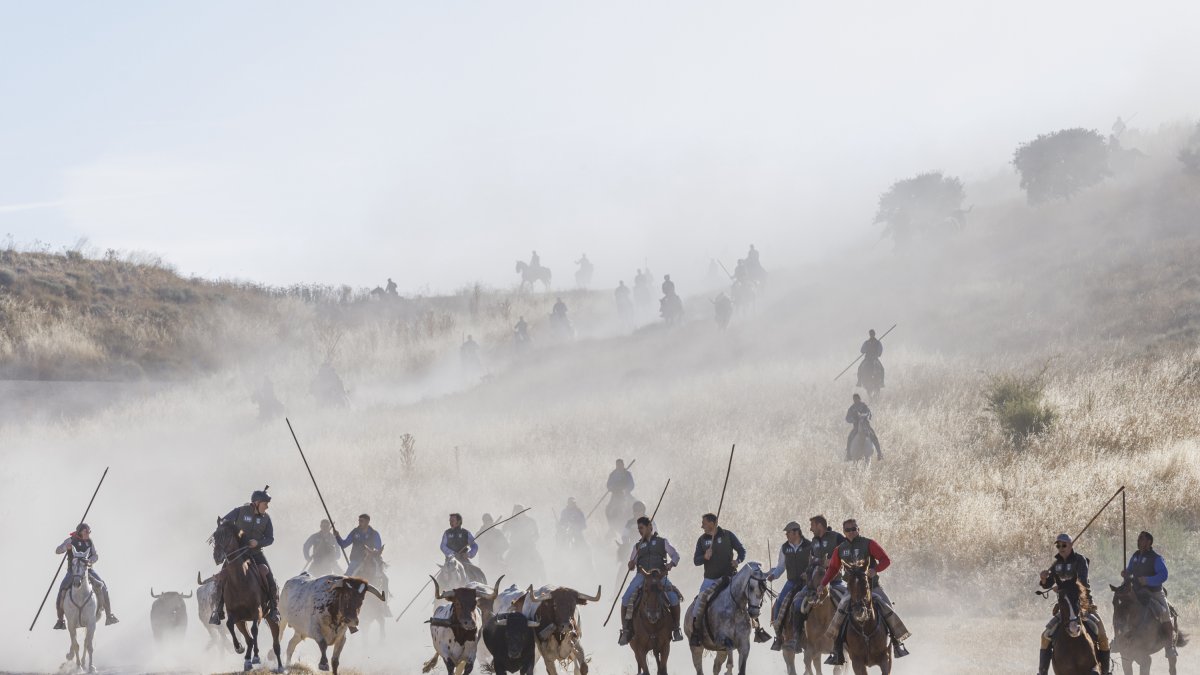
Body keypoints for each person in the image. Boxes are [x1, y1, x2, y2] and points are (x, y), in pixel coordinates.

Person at [821, 519, 910, 665]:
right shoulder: (840, 549)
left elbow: (885, 560)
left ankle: (896, 644)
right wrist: (822, 584)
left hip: (872, 587)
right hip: (852, 589)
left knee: (888, 607)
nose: (851, 532)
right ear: (843, 532)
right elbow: (832, 568)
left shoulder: (869, 543)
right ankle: (837, 651)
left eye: (853, 529)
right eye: (847, 530)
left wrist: (875, 570)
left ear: (858, 529)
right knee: (839, 615)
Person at [1038, 534, 1111, 675]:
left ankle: (1106, 672)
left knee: (1102, 637)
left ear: (1071, 545)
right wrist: (1043, 579)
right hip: (1066, 607)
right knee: (1045, 636)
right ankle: (1042, 672)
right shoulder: (1056, 564)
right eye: (1058, 546)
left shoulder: (1080, 560)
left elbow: (1081, 582)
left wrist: (1062, 587)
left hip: (1084, 605)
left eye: (1064, 545)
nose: (1061, 548)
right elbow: (1048, 583)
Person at [211, 487, 279, 624]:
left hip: (256, 553)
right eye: (265, 504)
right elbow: (224, 522)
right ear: (257, 502)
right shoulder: (240, 511)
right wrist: (230, 531)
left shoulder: (266, 518)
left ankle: (273, 609)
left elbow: (270, 539)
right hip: (237, 555)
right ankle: (217, 612)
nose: (267, 507)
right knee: (221, 579)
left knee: (270, 578)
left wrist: (258, 543)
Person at [691, 513, 758, 646]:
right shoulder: (702, 540)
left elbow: (741, 550)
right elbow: (696, 561)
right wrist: (705, 556)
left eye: (704, 523)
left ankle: (757, 626)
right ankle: (696, 633)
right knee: (699, 602)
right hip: (710, 579)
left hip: (730, 577)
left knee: (749, 594)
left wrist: (737, 561)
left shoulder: (728, 535)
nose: (702, 526)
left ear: (712, 523)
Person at [619, 517, 684, 645]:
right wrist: (630, 564)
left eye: (641, 528)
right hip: (642, 576)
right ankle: (626, 631)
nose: (639, 531)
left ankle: (676, 629)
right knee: (626, 598)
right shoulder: (637, 546)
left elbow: (676, 555)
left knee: (673, 598)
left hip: (660, 575)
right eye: (638, 529)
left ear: (650, 527)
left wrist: (671, 565)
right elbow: (631, 564)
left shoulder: (662, 542)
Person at [785, 515, 846, 651]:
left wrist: (837, 562)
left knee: (848, 603)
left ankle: (845, 641)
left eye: (812, 525)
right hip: (812, 584)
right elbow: (811, 562)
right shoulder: (814, 541)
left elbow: (848, 553)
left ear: (819, 525)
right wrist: (806, 572)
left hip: (835, 582)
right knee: (796, 602)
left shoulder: (837, 538)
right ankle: (796, 638)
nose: (810, 529)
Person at [1118, 531, 1176, 655]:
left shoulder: (1156, 558)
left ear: (1149, 542)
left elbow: (1163, 575)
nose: (1138, 541)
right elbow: (1130, 569)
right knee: (1121, 606)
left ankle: (1170, 646)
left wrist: (1148, 580)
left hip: (1154, 592)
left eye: (1141, 539)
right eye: (1138, 539)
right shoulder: (1135, 555)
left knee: (1165, 613)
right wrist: (1126, 573)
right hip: (1136, 590)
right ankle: (1118, 640)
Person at [54, 523, 119, 629]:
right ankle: (60, 621)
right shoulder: (70, 540)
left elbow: (95, 555)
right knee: (62, 590)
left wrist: (90, 561)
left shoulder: (89, 542)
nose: (88, 533)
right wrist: (66, 547)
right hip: (72, 571)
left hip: (87, 570)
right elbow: (57, 550)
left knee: (103, 586)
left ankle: (109, 616)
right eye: (86, 531)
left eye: (89, 531)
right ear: (80, 532)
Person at [766, 522, 810, 651]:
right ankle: (779, 636)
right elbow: (781, 566)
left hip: (807, 583)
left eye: (788, 532)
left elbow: (814, 564)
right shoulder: (785, 548)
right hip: (791, 582)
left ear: (796, 532)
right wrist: (773, 575)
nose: (786, 535)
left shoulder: (809, 545)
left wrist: (807, 574)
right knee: (778, 604)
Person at [441, 513, 484, 581]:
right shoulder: (447, 533)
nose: (450, 522)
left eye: (453, 521)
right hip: (450, 561)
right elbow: (442, 546)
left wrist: (469, 554)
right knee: (440, 580)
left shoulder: (466, 533)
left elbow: (474, 546)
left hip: (463, 560)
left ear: (459, 522)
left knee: (476, 574)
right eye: (450, 521)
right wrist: (453, 553)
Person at [844, 394, 881, 460]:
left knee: (874, 436)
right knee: (850, 437)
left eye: (857, 399)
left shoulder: (864, 406)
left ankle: (879, 453)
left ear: (859, 399)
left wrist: (866, 417)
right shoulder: (852, 408)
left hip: (866, 426)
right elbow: (847, 418)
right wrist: (853, 420)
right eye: (854, 399)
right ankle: (848, 455)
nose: (856, 400)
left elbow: (869, 414)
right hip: (856, 427)